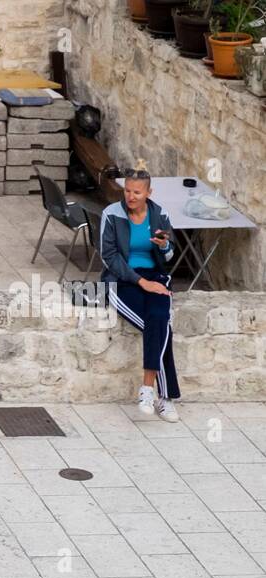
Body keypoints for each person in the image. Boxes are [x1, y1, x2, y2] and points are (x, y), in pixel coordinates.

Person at [101, 160, 180, 422]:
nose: (131, 196)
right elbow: (109, 257)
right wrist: (141, 282)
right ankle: (165, 397)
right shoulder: (112, 214)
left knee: (159, 321)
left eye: (137, 192)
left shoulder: (159, 214)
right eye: (127, 191)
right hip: (122, 280)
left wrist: (163, 245)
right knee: (160, 326)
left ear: (148, 192)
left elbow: (169, 255)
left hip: (155, 277)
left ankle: (148, 390)